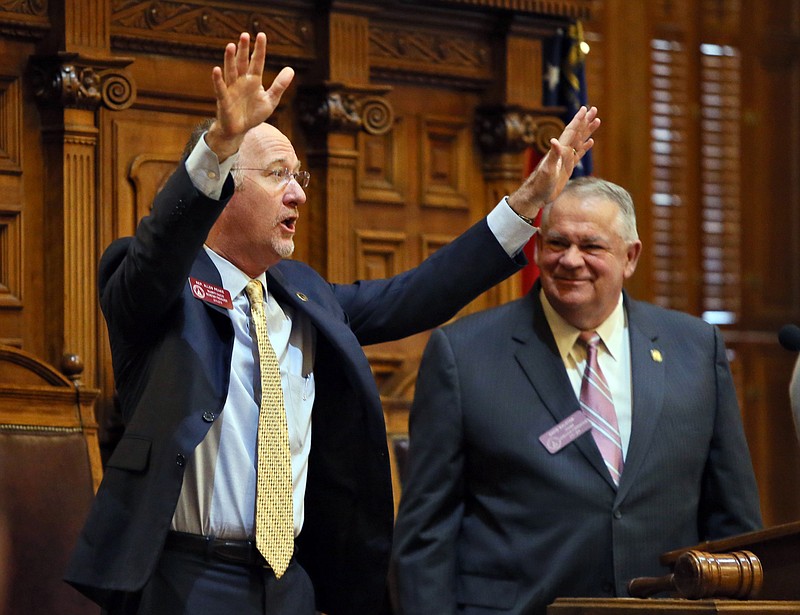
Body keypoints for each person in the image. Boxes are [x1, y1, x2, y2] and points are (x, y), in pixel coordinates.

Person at [63, 31, 601, 615]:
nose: (298, 194)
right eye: (277, 176)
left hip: (291, 579)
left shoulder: (306, 296)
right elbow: (161, 246)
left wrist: (527, 203)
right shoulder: (156, 286)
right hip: (185, 579)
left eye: (301, 178)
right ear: (222, 190)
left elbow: (417, 294)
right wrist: (219, 143)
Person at [391, 176, 763, 615]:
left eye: (591, 246)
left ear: (630, 257)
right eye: (556, 243)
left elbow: (733, 524)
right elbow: (426, 536)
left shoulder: (695, 349)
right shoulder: (464, 354)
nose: (570, 260)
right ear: (536, 250)